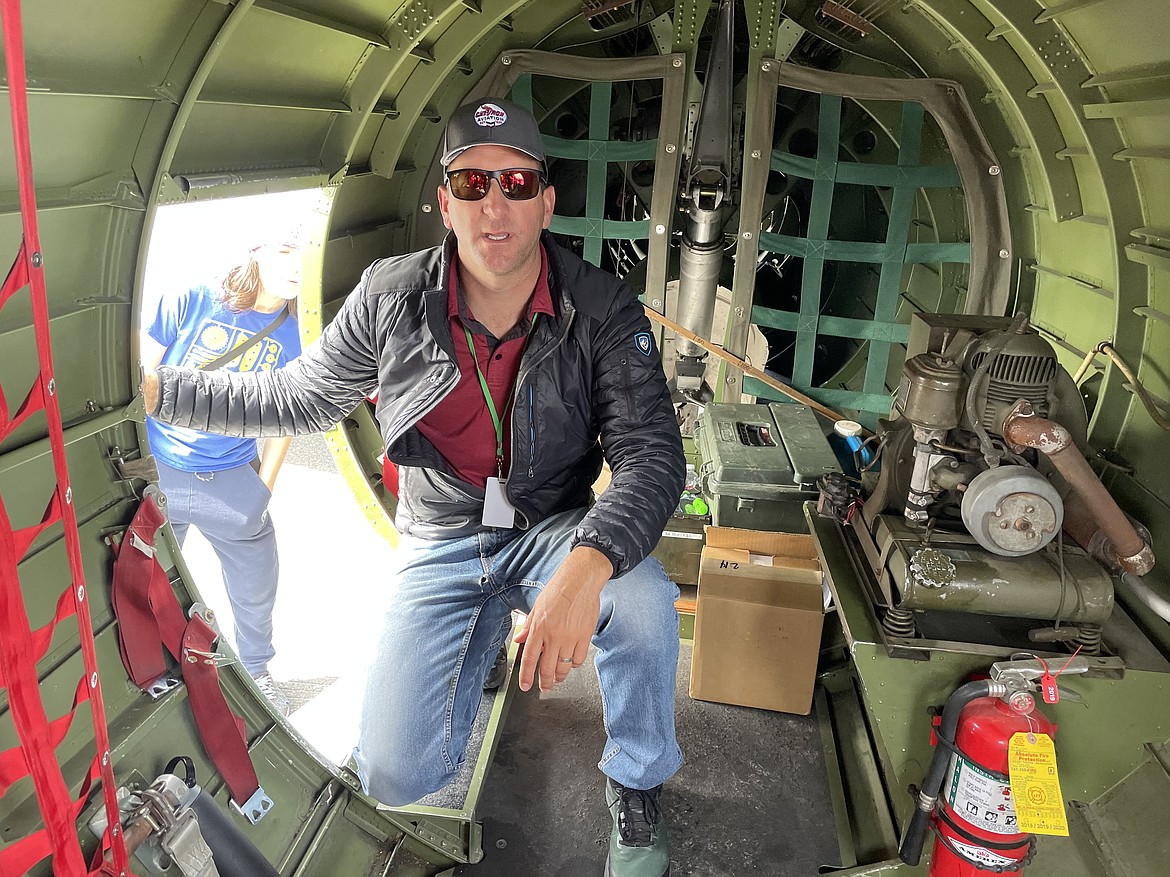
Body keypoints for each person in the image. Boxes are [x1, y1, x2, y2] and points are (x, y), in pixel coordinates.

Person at [143, 98, 684, 877]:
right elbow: (296, 397)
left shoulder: (598, 308)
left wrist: (587, 564)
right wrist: (166, 392)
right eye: (471, 184)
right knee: (397, 774)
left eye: (516, 183)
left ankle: (636, 785)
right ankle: (480, 642)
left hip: (550, 526)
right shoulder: (391, 298)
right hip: (442, 537)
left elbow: (653, 455)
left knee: (641, 601)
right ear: (443, 203)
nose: (495, 204)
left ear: (547, 202)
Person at [140, 239, 304, 716]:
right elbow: (141, 377)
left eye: (304, 254)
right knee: (149, 580)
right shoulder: (191, 298)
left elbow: (286, 419)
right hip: (163, 465)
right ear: (258, 247)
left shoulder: (297, 334)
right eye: (285, 248)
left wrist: (264, 489)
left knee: (256, 583)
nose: (294, 266)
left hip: (231, 476)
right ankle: (159, 668)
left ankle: (257, 672)